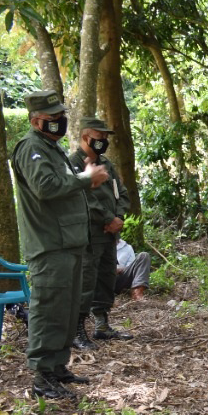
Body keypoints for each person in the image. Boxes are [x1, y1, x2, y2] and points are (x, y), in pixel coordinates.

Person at [10, 89, 110, 399]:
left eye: (61, 117)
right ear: (35, 121)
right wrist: (85, 178)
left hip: (69, 242)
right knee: (49, 309)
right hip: (49, 244)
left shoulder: (51, 148)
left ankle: (56, 367)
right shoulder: (31, 148)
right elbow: (45, 186)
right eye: (53, 119)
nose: (59, 122)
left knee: (67, 310)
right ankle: (42, 377)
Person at [69, 117, 132, 346]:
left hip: (109, 234)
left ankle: (102, 324)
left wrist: (119, 217)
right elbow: (84, 198)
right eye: (100, 137)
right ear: (86, 137)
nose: (104, 141)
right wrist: (107, 218)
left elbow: (121, 193)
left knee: (106, 277)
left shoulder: (107, 164)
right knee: (86, 281)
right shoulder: (73, 164)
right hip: (89, 233)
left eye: (105, 138)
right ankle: (77, 331)